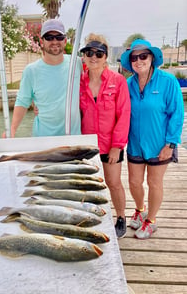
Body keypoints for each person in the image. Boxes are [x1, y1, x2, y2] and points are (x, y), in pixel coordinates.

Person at [121, 39, 184, 239]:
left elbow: (177, 113)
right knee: (134, 182)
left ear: (152, 58)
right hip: (135, 145)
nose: (139, 60)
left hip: (160, 145)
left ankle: (151, 221)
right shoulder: (127, 84)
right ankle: (140, 209)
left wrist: (171, 143)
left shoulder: (168, 82)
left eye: (143, 56)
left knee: (154, 183)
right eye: (134, 57)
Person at [80, 33, 131, 238]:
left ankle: (120, 218)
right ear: (83, 55)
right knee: (89, 185)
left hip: (111, 145)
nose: (94, 57)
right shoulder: (78, 82)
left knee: (113, 183)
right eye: (89, 52)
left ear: (105, 56)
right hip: (87, 146)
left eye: (99, 53)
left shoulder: (117, 81)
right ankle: (94, 218)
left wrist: (117, 145)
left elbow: (124, 114)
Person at [3, 19, 82, 138]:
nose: (54, 41)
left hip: (73, 138)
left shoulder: (77, 63)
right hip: (43, 139)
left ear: (65, 41)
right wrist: (12, 129)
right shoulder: (31, 71)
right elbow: (22, 101)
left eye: (59, 37)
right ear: (41, 41)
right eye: (49, 37)